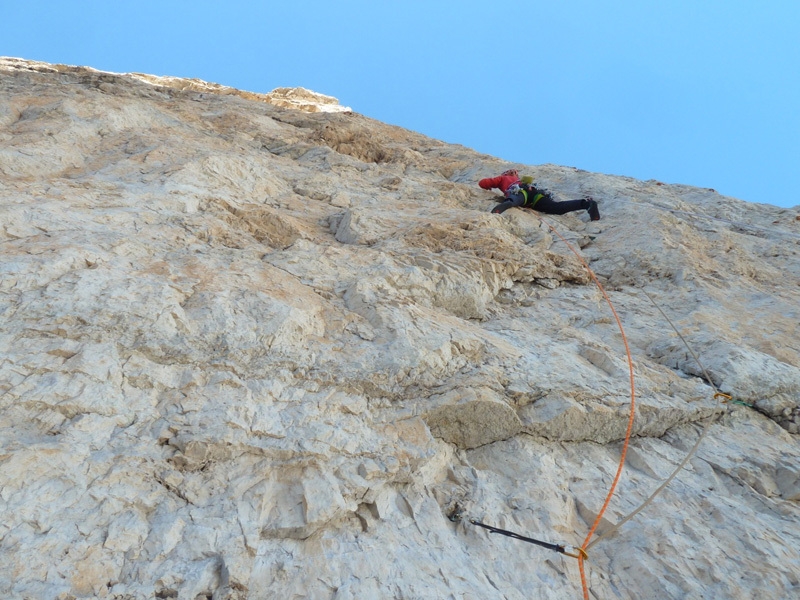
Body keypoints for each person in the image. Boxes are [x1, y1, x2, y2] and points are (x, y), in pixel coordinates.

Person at [479, 169, 600, 220]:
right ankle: (586, 204)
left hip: (520, 193)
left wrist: (490, 186)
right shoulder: (519, 180)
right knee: (557, 208)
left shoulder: (503, 178)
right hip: (536, 195)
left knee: (513, 201)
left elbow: (482, 183)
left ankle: (499, 210)